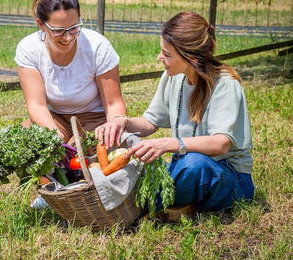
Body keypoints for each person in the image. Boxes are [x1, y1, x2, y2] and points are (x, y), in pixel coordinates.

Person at [95, 11, 254, 219]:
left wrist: (168, 144)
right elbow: (150, 122)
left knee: (194, 165)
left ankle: (135, 207)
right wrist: (121, 122)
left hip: (229, 178)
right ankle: (170, 207)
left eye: (167, 54)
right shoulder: (174, 77)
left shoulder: (225, 85)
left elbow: (221, 144)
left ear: (191, 57)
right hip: (186, 166)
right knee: (143, 167)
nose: (160, 58)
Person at [15, 0, 126, 143]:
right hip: (54, 118)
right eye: (58, 31)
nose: (68, 37)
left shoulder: (98, 47)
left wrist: (113, 127)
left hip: (93, 117)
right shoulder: (28, 48)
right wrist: (54, 138)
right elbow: (37, 105)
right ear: (41, 24)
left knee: (81, 154)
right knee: (27, 145)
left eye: (74, 28)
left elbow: (113, 102)